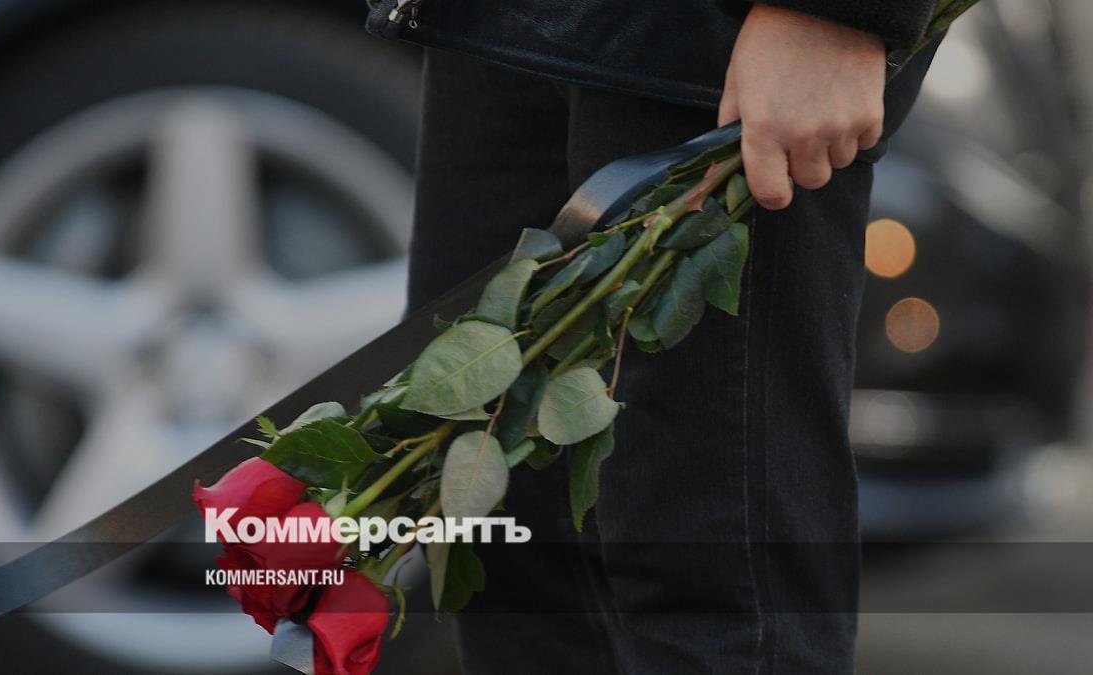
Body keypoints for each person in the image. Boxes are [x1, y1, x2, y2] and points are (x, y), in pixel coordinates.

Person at [366, 1, 943, 672]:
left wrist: (833, 11)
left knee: (708, 577)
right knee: (513, 547)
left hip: (708, 38)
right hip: (495, 27)